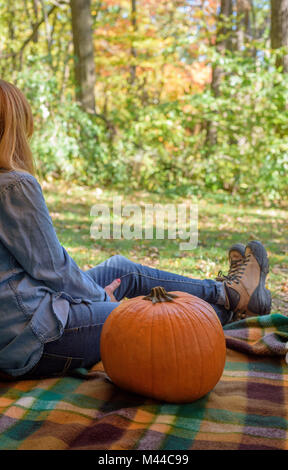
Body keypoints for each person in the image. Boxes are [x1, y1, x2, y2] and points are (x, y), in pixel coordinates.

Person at [0, 79, 272, 381]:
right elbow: (54, 270)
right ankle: (229, 311)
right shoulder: (13, 185)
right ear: (13, 129)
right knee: (153, 324)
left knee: (121, 269)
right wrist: (100, 299)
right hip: (31, 336)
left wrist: (89, 296)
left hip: (25, 309)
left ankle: (229, 294)